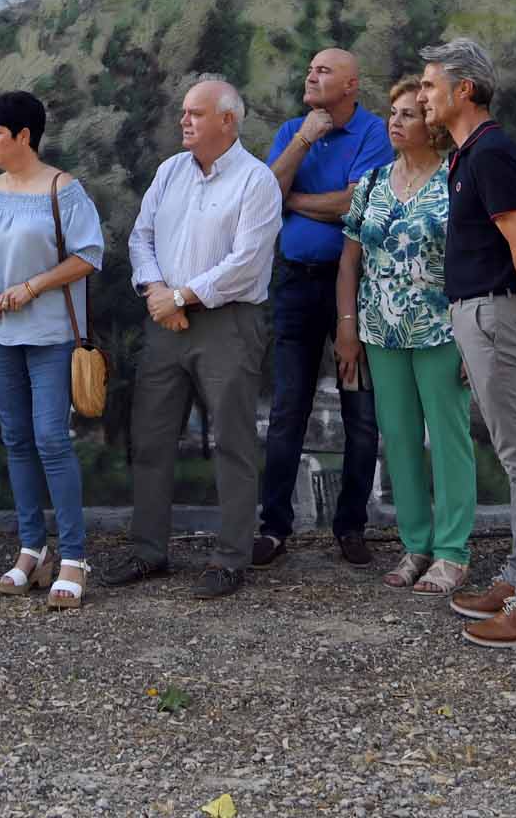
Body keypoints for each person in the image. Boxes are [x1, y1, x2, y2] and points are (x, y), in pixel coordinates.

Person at [419, 37, 516, 648]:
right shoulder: (469, 156)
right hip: (478, 316)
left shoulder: (492, 155)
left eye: (431, 85)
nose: (423, 95)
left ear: (465, 89)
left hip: (496, 316)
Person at [99, 76, 282, 600]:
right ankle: (148, 550)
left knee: (232, 441)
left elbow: (246, 265)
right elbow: (141, 237)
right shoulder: (170, 171)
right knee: (152, 439)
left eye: (196, 113)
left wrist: (181, 298)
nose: (184, 120)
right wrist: (158, 291)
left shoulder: (256, 181)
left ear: (228, 120)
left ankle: (230, 559)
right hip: (164, 322)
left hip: (227, 324)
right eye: (184, 112)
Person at [0, 91, 104, 611]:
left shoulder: (65, 190)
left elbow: (89, 254)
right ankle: (31, 548)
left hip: (51, 336)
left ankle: (75, 558)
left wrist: (33, 286)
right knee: (15, 439)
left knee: (50, 440)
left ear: (24, 136)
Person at [335, 76, 474, 596]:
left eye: (409, 114)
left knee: (449, 439)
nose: (395, 121)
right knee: (398, 441)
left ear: (433, 126)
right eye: (392, 112)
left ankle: (453, 552)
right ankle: (416, 545)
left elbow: (479, 258)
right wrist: (347, 328)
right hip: (380, 331)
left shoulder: (456, 181)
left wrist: (471, 335)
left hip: (441, 330)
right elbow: (350, 260)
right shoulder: (372, 182)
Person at [256, 47, 394, 567]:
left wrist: (295, 200)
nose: (311, 75)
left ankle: (351, 526)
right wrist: (302, 142)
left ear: (351, 84)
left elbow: (355, 204)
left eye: (324, 70)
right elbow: (266, 193)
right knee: (289, 408)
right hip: (294, 288)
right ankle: (273, 528)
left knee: (360, 412)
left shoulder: (372, 132)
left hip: (352, 293)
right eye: (309, 68)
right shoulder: (295, 128)